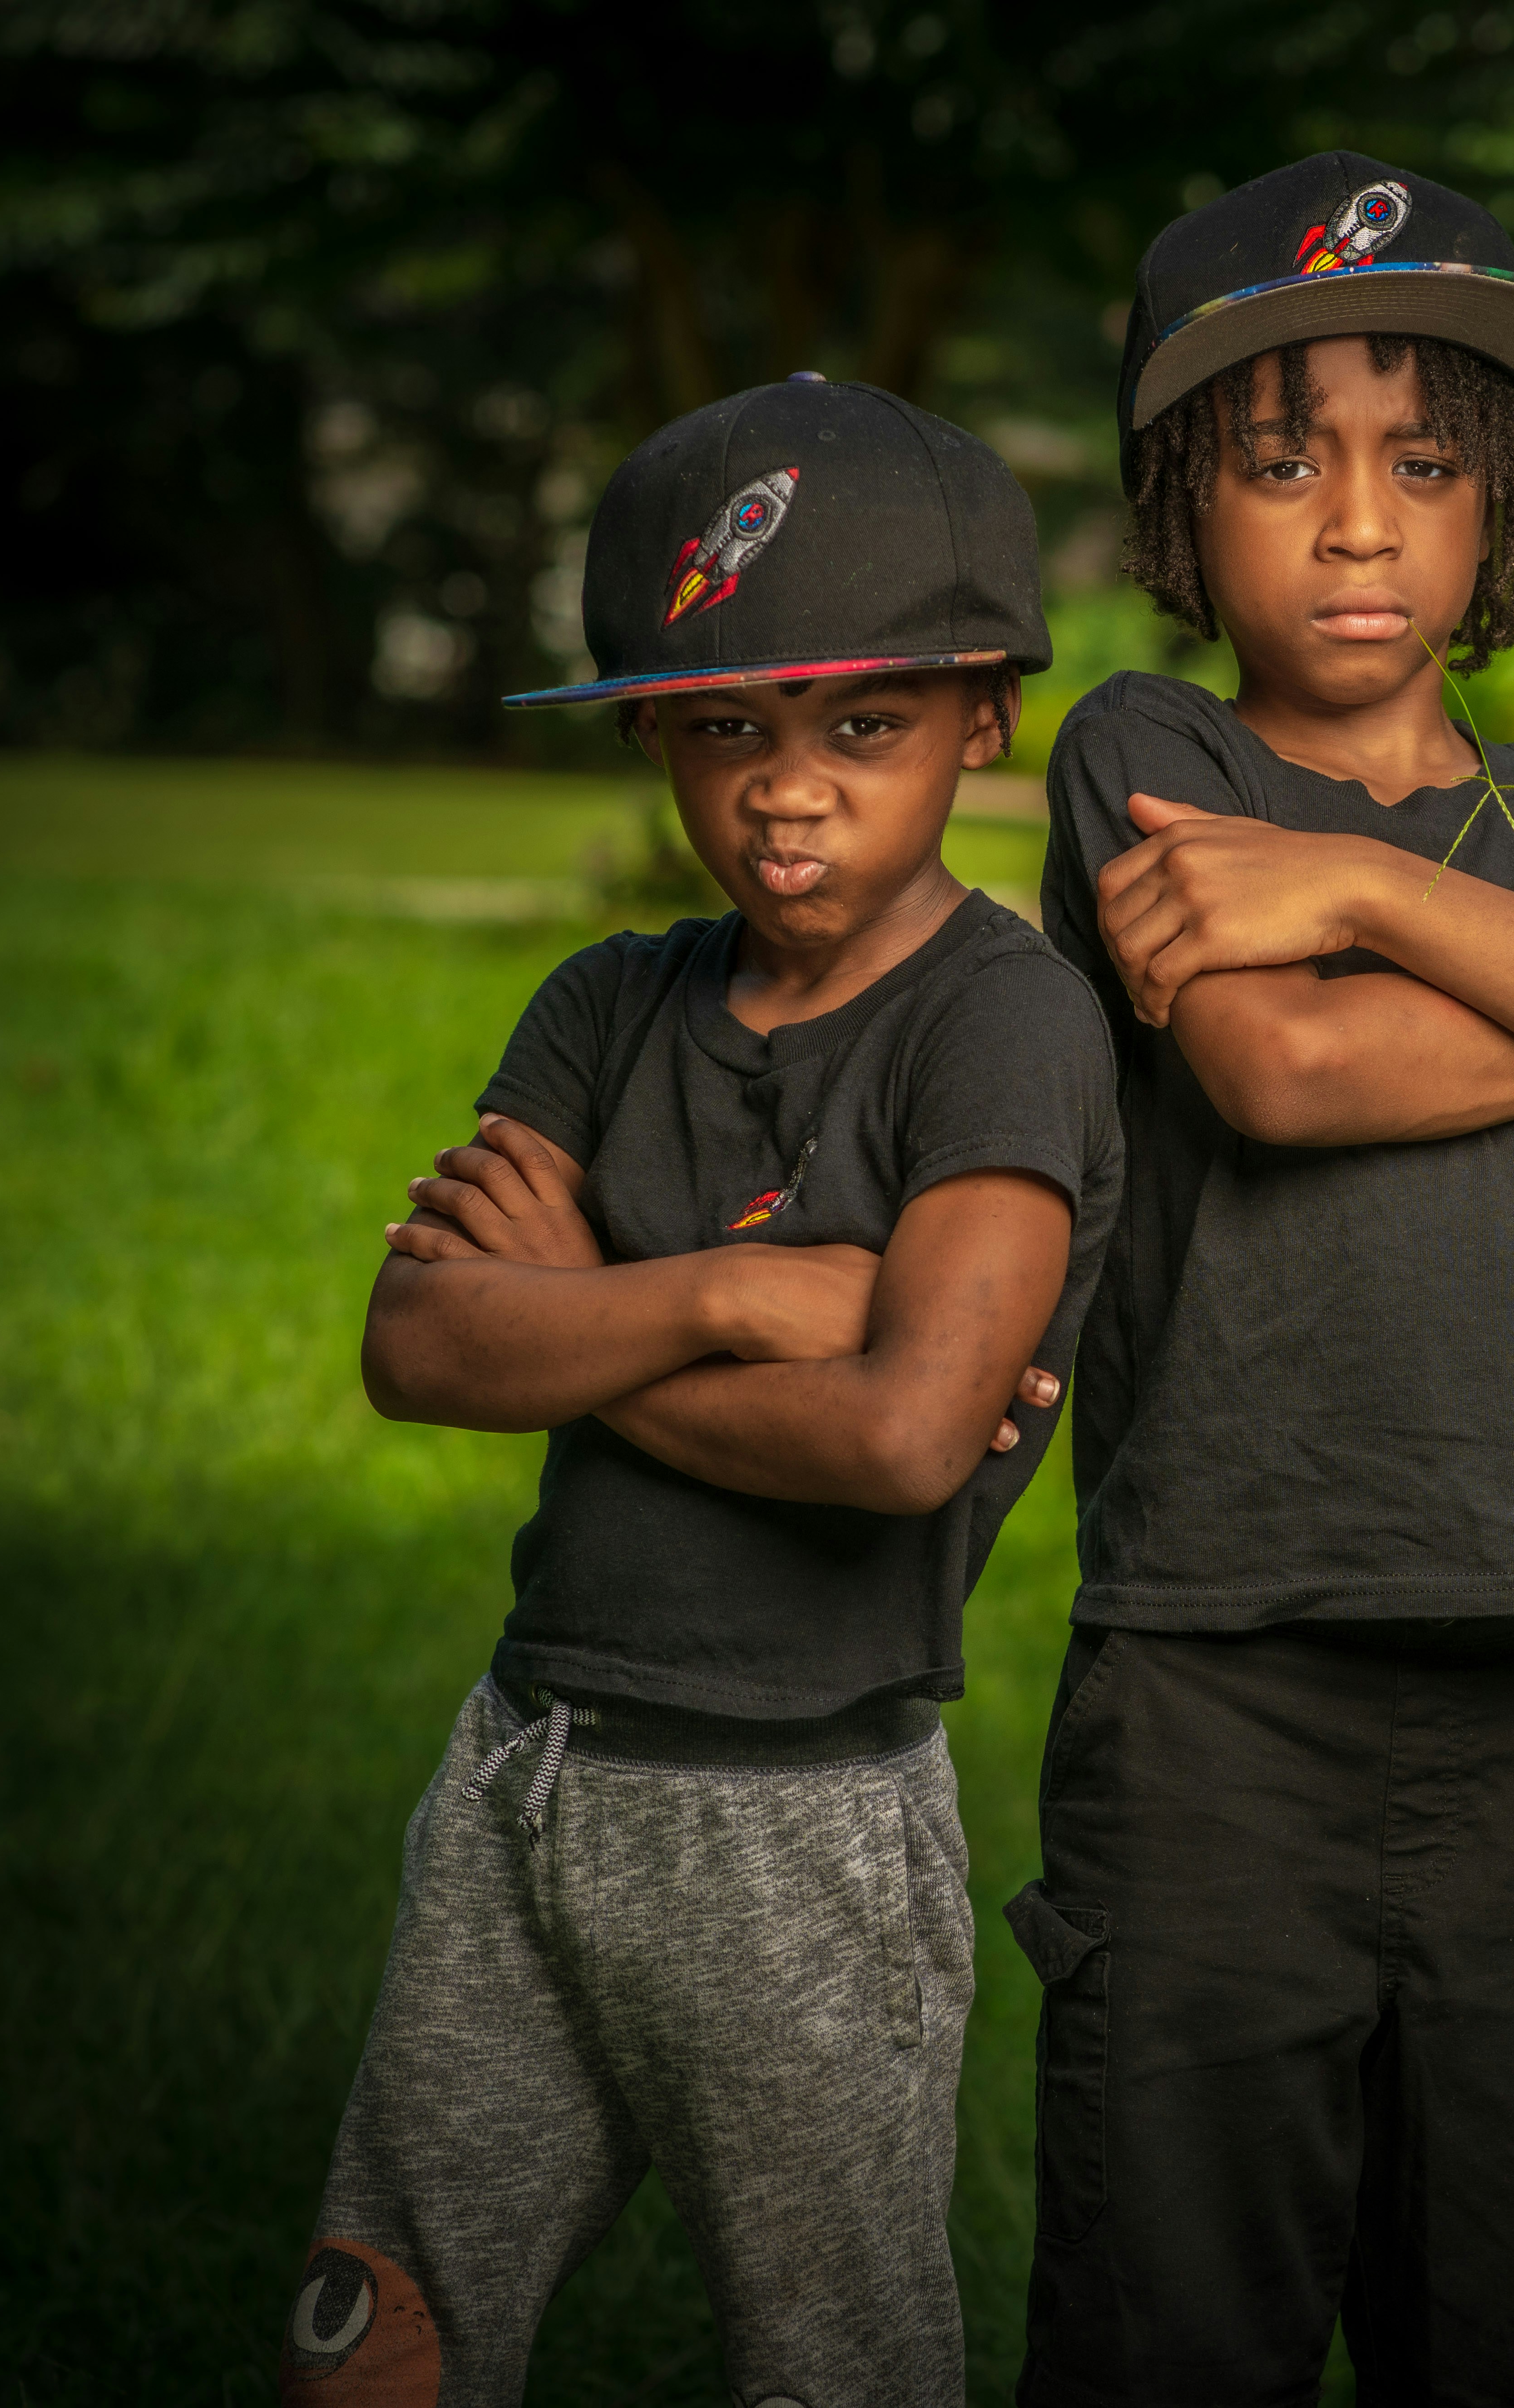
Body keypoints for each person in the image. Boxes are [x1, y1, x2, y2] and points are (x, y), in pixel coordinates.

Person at [1009, 153, 1514, 2405]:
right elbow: (1280, 1073)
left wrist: (1367, 902)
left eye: (1424, 464)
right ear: (1183, 509)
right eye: (1283, 466)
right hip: (1217, 1682)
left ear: (1501, 505)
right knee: (1173, 2332)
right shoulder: (1153, 754)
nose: (1359, 524)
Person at [279, 375, 1121, 2408]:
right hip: (525, 1764)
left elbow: (904, 1437)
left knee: (833, 2364)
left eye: (862, 727)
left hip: (797, 1811)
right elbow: (419, 1346)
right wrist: (729, 1294)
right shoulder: (609, 1001)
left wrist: (576, 1321)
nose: (787, 795)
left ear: (982, 716)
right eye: (725, 729)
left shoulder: (1004, 1026)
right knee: (376, 2319)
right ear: (650, 733)